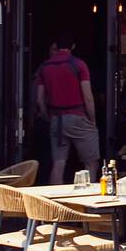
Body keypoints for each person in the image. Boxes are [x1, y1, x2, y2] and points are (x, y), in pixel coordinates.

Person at [35, 31, 100, 185]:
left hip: (56, 120)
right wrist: (92, 120)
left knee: (58, 164)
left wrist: (47, 116)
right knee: (91, 163)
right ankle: (88, 201)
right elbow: (88, 97)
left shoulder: (44, 67)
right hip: (78, 117)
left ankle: (55, 204)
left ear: (57, 47)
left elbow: (39, 99)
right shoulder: (78, 65)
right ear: (73, 46)